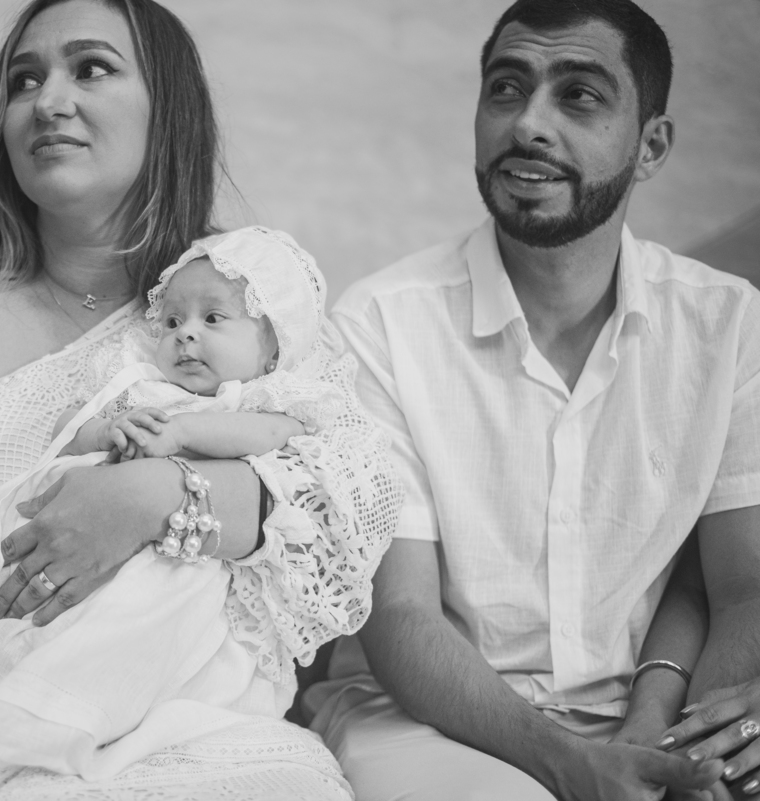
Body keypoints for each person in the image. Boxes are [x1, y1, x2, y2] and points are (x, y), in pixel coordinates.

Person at [0, 0, 402, 798]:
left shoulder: (247, 316)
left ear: (167, 110)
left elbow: (349, 502)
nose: (47, 101)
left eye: (91, 68)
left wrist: (155, 493)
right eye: (23, 80)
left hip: (198, 741)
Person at [307, 0, 760, 799]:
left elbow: (743, 586)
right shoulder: (379, 324)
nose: (527, 124)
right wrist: (572, 763)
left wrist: (685, 743)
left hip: (652, 705)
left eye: (579, 95)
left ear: (651, 146)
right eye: (506, 89)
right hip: (430, 720)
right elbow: (401, 614)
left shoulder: (727, 322)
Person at [0, 226, 365, 781]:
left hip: (171, 576)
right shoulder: (140, 384)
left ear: (273, 347)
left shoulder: (258, 402)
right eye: (173, 321)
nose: (186, 334)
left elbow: (270, 437)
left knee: (118, 637)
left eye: (213, 319)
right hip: (63, 544)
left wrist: (182, 434)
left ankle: (46, 721)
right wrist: (106, 430)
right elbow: (70, 425)